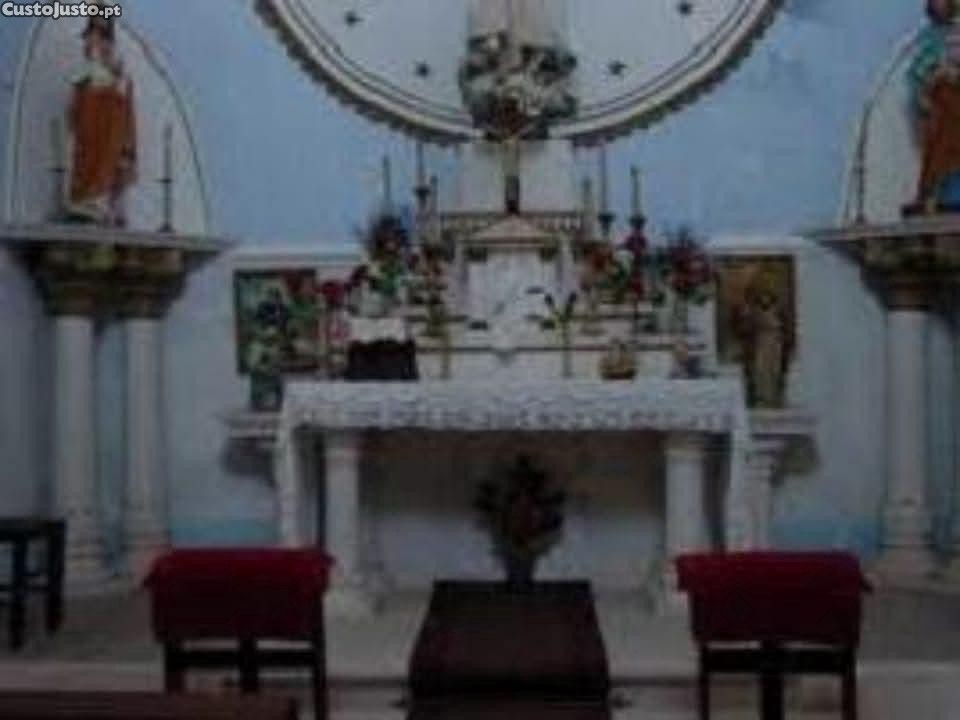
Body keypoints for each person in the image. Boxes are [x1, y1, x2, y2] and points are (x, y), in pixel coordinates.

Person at [66, 14, 137, 226]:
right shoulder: (84, 73)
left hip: (108, 136)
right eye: (90, 37)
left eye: (98, 38)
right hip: (88, 137)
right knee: (86, 157)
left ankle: (98, 200)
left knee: (105, 158)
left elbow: (125, 115)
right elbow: (75, 110)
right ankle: (85, 199)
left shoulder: (118, 77)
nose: (92, 43)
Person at [908, 0, 960, 212]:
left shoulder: (954, 31)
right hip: (942, 105)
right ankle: (934, 195)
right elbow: (917, 73)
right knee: (939, 150)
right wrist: (930, 83)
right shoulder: (927, 37)